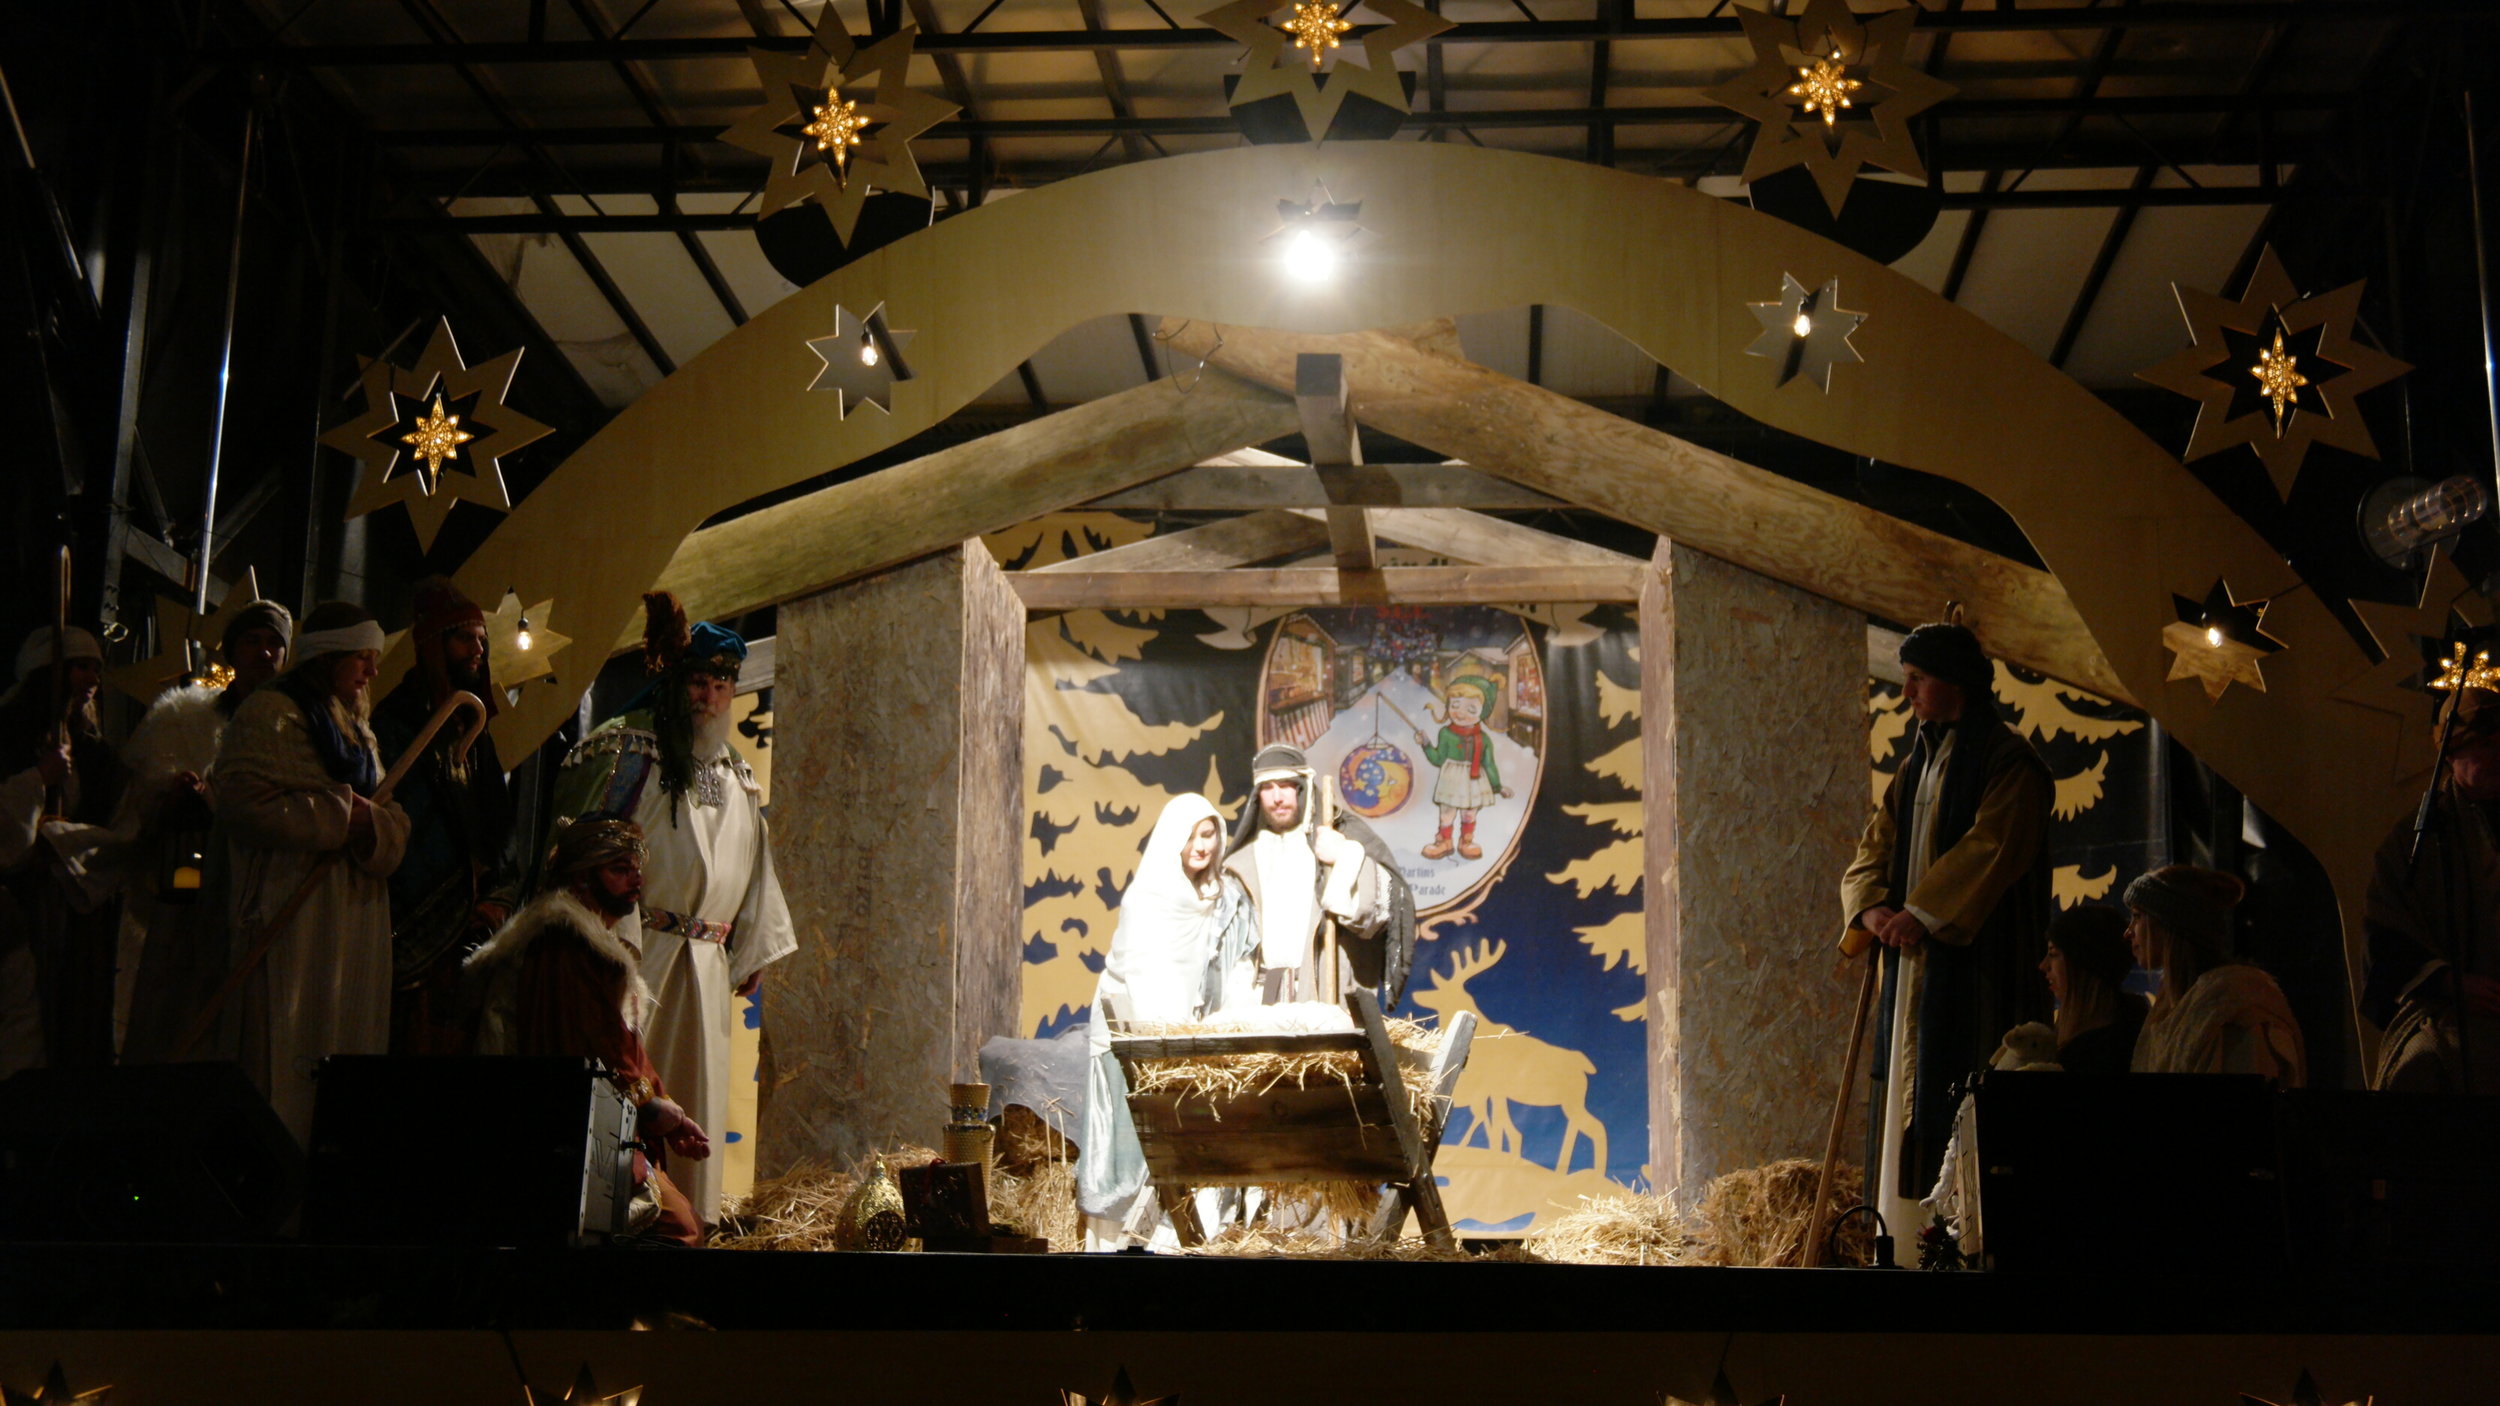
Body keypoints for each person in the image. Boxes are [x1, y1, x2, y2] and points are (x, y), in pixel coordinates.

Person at [550, 591, 795, 1228]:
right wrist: (604, 944)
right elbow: (578, 851)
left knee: (697, 1100)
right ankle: (618, 1220)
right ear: (675, 682)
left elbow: (756, 865)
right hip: (638, 954)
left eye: (721, 685)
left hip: (706, 965)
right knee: (630, 1089)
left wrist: (749, 944)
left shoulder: (737, 773)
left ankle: (689, 1223)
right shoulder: (624, 750)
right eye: (697, 682)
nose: (708, 697)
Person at [1839, 622, 2050, 1259]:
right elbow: (1877, 842)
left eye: (1918, 679)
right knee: (1907, 1091)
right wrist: (1871, 908)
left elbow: (1992, 847)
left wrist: (1923, 913)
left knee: (1958, 1088)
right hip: (1913, 968)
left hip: (1975, 964)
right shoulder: (1917, 764)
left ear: (1955, 682)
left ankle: (1964, 1247)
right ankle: (1903, 1245)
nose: (1906, 693)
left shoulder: (2008, 762)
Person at [212, 601, 410, 1141]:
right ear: (330, 655)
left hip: (353, 915)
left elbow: (390, 813)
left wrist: (374, 827)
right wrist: (342, 817)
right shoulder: (271, 714)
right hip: (291, 907)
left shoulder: (357, 728)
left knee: (343, 1046)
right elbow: (242, 803)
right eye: (362, 657)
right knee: (284, 1048)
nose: (372, 671)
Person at [466, 815, 707, 1245]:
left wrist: (666, 1109)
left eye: (636, 867)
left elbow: (626, 1049)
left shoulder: (590, 946)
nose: (636, 879)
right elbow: (589, 1047)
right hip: (577, 1135)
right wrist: (649, 1108)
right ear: (581, 877)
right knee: (678, 1230)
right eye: (619, 869)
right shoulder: (566, 947)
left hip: (609, 1123)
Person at [1078, 793, 1260, 1248]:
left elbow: (1237, 961)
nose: (1201, 845)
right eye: (1190, 836)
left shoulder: (1225, 899)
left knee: (1194, 1147)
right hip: (1137, 1038)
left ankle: (1179, 1245)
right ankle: (1120, 1248)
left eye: (1209, 834)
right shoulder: (1149, 897)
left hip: (1192, 1041)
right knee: (1135, 1151)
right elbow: (1141, 976)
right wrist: (1161, 1044)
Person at [117, 600, 292, 1063]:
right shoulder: (185, 721)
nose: (264, 653)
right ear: (233, 651)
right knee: (176, 995)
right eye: (252, 641)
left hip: (265, 885)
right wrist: (174, 794)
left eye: (274, 643)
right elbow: (143, 806)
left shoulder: (294, 726)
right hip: (192, 878)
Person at [376, 579, 517, 1054]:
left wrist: (496, 893)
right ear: (435, 645)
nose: (478, 649)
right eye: (465, 638)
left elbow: (500, 822)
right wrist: (452, 899)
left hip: (475, 926)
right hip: (420, 922)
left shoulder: (471, 726)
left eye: (482, 639)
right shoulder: (396, 723)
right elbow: (404, 822)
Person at [0, 625, 128, 1074]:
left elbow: (113, 823)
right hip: (16, 906)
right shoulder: (7, 736)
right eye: (80, 667)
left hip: (72, 909)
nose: (92, 679)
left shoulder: (94, 752)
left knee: (69, 1017)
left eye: (96, 668)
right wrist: (38, 780)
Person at [2363, 677, 2500, 1093]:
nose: (2497, 756)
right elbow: (2386, 934)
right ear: (2451, 754)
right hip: (2451, 1016)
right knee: (2425, 1065)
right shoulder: (2416, 840)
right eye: (2485, 745)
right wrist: (2448, 981)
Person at [1222, 743, 1414, 1008]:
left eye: (1286, 785)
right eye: (1267, 787)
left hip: (1324, 993)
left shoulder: (1338, 838)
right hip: (1262, 998)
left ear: (1302, 787)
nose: (1277, 797)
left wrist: (1347, 857)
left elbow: (1382, 911)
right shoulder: (1241, 864)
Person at [2125, 865, 2303, 1085]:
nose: (2128, 932)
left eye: (2137, 916)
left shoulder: (2235, 1015)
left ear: (2171, 924)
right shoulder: (2174, 1010)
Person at [1412, 675, 1514, 862]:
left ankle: (1466, 841)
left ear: (1482, 712)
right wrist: (1426, 745)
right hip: (1451, 779)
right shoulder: (1446, 733)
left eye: (1471, 709)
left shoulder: (1483, 739)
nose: (1460, 713)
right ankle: (1444, 842)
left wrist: (1498, 787)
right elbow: (1438, 759)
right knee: (1447, 813)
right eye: (1455, 705)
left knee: (1469, 812)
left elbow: (1489, 764)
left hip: (1475, 781)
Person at [2039, 904, 2147, 1075]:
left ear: (2083, 963)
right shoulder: (2131, 1027)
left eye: (2053, 954)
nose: (2043, 965)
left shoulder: (2097, 1054)